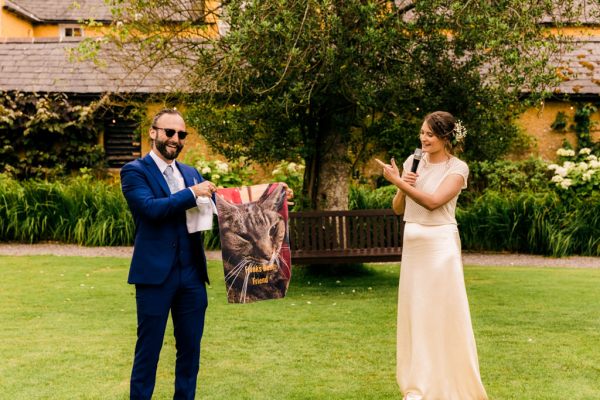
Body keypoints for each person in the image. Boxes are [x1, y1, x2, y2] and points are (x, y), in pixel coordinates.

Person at [376, 111, 488, 400]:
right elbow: (399, 208)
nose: (423, 138)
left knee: (441, 313)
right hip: (413, 246)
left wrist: (397, 182)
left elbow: (433, 202)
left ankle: (449, 384)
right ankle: (418, 385)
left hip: (440, 248)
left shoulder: (458, 168)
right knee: (417, 313)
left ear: (445, 137)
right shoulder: (413, 161)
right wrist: (403, 183)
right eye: (422, 133)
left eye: (429, 134)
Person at [121, 108, 217, 400]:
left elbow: (225, 205)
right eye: (169, 132)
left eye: (181, 134)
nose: (176, 139)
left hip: (191, 276)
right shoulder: (134, 171)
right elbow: (150, 208)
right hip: (154, 276)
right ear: (153, 133)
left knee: (190, 352)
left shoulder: (190, 173)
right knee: (148, 352)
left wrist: (273, 195)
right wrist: (191, 193)